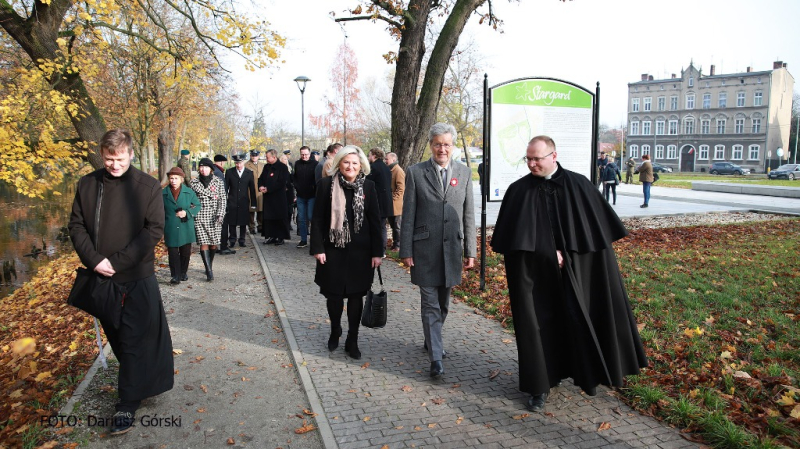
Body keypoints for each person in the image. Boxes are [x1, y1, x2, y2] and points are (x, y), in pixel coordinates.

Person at [490, 135, 648, 413]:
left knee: (580, 317)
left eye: (536, 158)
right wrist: (546, 252)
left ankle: (587, 373)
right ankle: (539, 385)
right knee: (537, 326)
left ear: (553, 155)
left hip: (579, 273)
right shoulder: (519, 190)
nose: (531, 164)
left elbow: (595, 239)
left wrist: (568, 255)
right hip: (536, 276)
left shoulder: (579, 186)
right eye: (528, 159)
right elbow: (511, 242)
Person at [68, 129, 173, 435]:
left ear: (130, 154)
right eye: (109, 159)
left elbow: (153, 230)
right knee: (118, 338)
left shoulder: (147, 186)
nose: (114, 165)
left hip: (136, 278)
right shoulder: (88, 184)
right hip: (101, 279)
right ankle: (136, 386)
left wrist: (117, 262)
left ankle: (126, 404)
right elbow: (76, 225)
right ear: (102, 155)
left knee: (136, 340)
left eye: (120, 158)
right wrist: (95, 260)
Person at [399, 123, 476, 379]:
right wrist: (405, 249)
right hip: (424, 250)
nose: (442, 148)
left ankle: (431, 339)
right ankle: (436, 359)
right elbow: (408, 214)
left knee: (443, 304)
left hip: (452, 250)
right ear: (430, 145)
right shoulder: (415, 172)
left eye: (446, 144)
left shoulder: (464, 173)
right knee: (430, 304)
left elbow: (468, 214)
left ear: (452, 146)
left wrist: (471, 252)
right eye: (437, 144)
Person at [310, 145, 383, 360]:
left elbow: (375, 221)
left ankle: (353, 339)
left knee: (355, 296)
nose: (350, 166)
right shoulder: (325, 186)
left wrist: (377, 253)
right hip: (332, 251)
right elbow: (318, 220)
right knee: (333, 297)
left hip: (361, 253)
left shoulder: (368, 187)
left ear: (361, 166)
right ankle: (335, 330)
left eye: (354, 163)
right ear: (338, 164)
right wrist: (317, 248)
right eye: (346, 162)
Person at [163, 167, 201, 284]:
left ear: (181, 179)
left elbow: (197, 205)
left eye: (176, 178)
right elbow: (158, 210)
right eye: (171, 178)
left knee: (185, 252)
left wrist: (187, 213)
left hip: (186, 226)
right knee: (173, 253)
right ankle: (175, 275)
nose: (173, 181)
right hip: (170, 226)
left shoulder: (189, 192)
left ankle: (183, 272)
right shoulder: (163, 193)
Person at [190, 158, 226, 280]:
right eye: (201, 167)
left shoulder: (218, 182)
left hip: (214, 217)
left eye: (205, 167)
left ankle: (209, 263)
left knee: (213, 244)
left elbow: (222, 200)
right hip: (200, 217)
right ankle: (209, 270)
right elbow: (191, 201)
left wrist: (220, 214)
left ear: (211, 169)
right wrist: (193, 212)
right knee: (203, 242)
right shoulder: (193, 183)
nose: (203, 169)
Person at [259, 149, 291, 245]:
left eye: (267, 157)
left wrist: (268, 188)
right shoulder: (266, 167)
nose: (266, 159)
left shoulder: (282, 167)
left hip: (278, 197)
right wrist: (260, 186)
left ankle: (280, 237)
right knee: (269, 218)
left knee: (279, 217)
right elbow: (261, 178)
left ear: (274, 157)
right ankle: (271, 236)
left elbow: (281, 182)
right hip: (268, 198)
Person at [225, 153, 257, 248]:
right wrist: (225, 200)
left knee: (243, 221)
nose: (238, 165)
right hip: (232, 200)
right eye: (236, 163)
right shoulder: (229, 172)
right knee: (232, 221)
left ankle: (242, 239)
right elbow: (226, 187)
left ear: (243, 162)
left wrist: (253, 203)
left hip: (244, 200)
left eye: (240, 163)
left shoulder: (249, 173)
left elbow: (252, 189)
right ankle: (232, 239)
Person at [366, 148, 393, 254]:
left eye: (369, 155)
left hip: (377, 201)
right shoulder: (386, 168)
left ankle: (378, 249)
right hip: (386, 201)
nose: (368, 158)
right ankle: (382, 249)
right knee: (382, 226)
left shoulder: (373, 168)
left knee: (377, 226)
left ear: (374, 156)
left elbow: (368, 185)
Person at [293, 146, 319, 248]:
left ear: (309, 154)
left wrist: (313, 188)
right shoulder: (297, 163)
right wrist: (296, 187)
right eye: (302, 154)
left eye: (306, 154)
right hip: (300, 195)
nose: (304, 156)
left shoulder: (315, 164)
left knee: (311, 217)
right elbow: (295, 177)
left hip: (311, 195)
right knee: (301, 219)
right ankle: (303, 239)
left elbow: (317, 179)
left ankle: (314, 239)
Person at [213, 154, 235, 255]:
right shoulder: (219, 173)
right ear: (222, 162)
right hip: (219, 202)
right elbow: (222, 189)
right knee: (224, 225)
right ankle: (223, 246)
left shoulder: (213, 170)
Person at [385, 152, 405, 251]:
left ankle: (398, 246)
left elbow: (401, 189)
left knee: (397, 226)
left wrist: (392, 198)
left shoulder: (398, 171)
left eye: (387, 159)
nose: (385, 161)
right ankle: (394, 244)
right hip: (391, 204)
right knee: (393, 225)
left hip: (396, 205)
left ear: (393, 159)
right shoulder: (390, 170)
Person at [245, 150, 266, 234]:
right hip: (250, 190)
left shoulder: (262, 165)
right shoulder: (246, 165)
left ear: (258, 156)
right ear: (250, 156)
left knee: (261, 209)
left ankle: (260, 225)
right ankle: (251, 227)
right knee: (251, 210)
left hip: (260, 190)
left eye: (256, 155)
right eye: (253, 155)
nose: (254, 157)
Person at [280, 153, 296, 231]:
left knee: (290, 210)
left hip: (289, 192)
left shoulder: (290, 168)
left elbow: (293, 180)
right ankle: (283, 224)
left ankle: (288, 223)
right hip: (281, 192)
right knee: (283, 209)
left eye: (286, 159)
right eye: (284, 159)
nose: (285, 160)